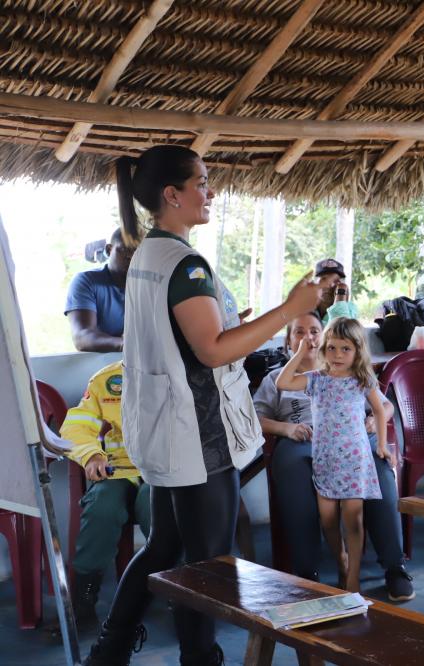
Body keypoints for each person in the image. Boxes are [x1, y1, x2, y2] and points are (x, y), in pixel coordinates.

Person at [83, 145, 325, 666]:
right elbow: (211, 349)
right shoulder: (185, 263)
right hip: (197, 432)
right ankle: (200, 658)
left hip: (165, 424)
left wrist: (242, 323)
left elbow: (188, 336)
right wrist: (290, 309)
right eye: (202, 182)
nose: (210, 191)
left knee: (165, 546)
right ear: (172, 194)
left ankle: (110, 649)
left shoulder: (149, 252)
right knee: (208, 565)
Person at [254, 311, 414, 601]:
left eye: (314, 331)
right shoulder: (278, 377)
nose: (308, 338)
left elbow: (384, 407)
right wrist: (286, 428)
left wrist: (371, 427)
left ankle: (394, 567)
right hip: (303, 438)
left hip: (353, 439)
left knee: (380, 468)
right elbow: (254, 418)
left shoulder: (354, 372)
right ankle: (307, 571)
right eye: (299, 332)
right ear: (289, 341)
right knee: (293, 468)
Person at [276, 317, 389, 593]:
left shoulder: (363, 380)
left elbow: (380, 411)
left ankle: (353, 578)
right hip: (325, 460)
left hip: (355, 461)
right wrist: (301, 352)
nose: (337, 355)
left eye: (345, 349)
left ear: (358, 351)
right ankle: (340, 559)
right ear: (323, 349)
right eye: (332, 348)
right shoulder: (316, 380)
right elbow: (283, 382)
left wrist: (382, 445)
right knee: (327, 520)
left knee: (353, 519)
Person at [61, 361, 151, 627]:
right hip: (118, 469)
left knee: (154, 504)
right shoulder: (107, 379)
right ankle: (84, 600)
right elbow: (75, 427)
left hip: (165, 470)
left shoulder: (184, 367)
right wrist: (92, 455)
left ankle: (178, 595)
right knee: (102, 506)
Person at [65, 228, 134, 352]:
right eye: (124, 249)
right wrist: (125, 345)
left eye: (137, 252)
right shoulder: (86, 281)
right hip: (101, 367)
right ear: (109, 249)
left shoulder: (152, 285)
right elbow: (81, 337)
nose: (130, 256)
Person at [314, 258, 359, 323]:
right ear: (314, 283)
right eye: (324, 279)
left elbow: (340, 329)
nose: (331, 285)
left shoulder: (350, 308)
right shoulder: (306, 307)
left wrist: (340, 297)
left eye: (336, 281)